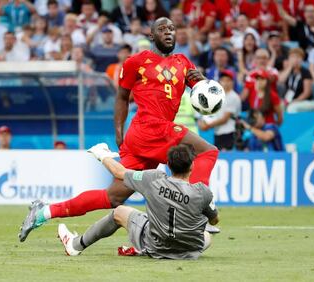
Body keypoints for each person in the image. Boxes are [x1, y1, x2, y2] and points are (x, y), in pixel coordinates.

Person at [19, 17, 219, 242]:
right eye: (162, 29)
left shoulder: (183, 62)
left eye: (172, 28)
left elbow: (204, 92)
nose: (168, 32)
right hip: (150, 128)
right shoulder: (136, 62)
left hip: (151, 135)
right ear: (151, 36)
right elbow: (122, 97)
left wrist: (202, 80)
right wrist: (118, 131)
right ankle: (201, 207)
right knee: (207, 152)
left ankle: (44, 212)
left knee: (113, 197)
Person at [57, 143, 218, 259]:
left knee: (119, 212)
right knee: (207, 236)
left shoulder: (153, 179)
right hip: (189, 251)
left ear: (168, 164)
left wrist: (102, 155)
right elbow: (214, 220)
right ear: (192, 166)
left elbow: (119, 172)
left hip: (156, 246)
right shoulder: (202, 192)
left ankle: (75, 245)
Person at [198, 70, 241, 151]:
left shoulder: (233, 97)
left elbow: (225, 119)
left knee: (227, 156)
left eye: (228, 80)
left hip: (229, 133)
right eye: (223, 80)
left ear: (232, 82)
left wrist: (207, 126)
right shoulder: (218, 96)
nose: (225, 82)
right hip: (218, 132)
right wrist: (202, 121)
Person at [279, 48, 314, 112]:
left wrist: (293, 101)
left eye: (298, 57)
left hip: (305, 101)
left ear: (302, 59)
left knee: (291, 108)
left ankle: (292, 122)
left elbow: (306, 93)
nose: (295, 59)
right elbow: (280, 80)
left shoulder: (306, 72)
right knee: (279, 106)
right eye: (292, 57)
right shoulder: (289, 71)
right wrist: (289, 67)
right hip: (289, 100)